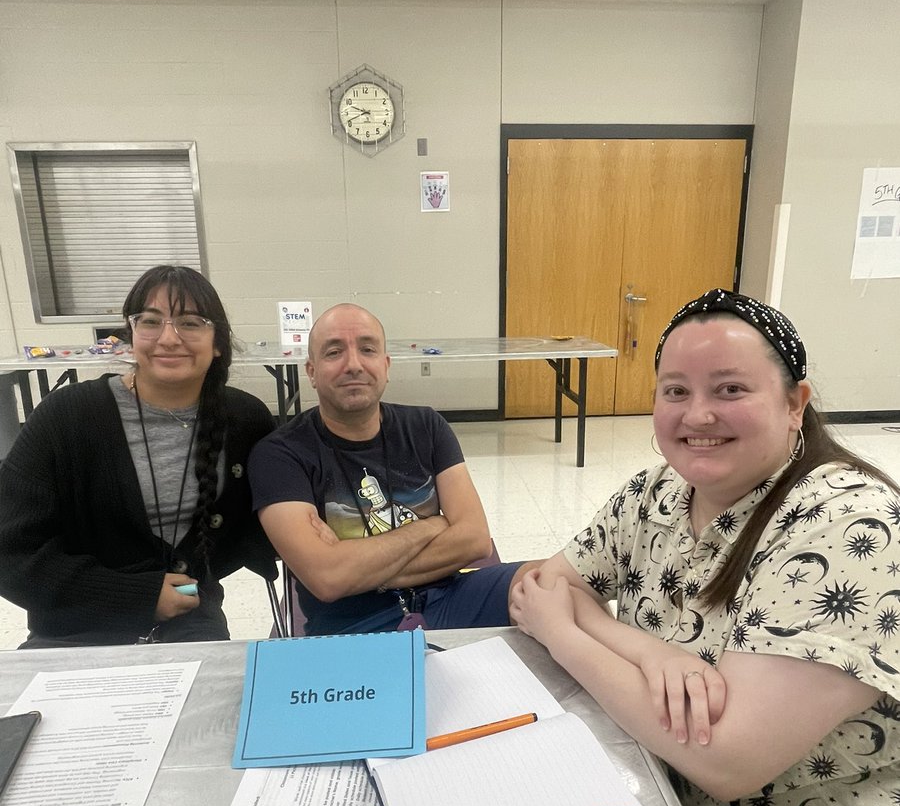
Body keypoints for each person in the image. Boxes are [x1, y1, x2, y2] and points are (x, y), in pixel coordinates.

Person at [509, 288, 900, 806]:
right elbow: (542, 583)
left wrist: (570, 635)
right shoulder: (659, 492)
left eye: (731, 390)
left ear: (795, 403)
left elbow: (724, 758)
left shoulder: (850, 525)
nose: (697, 415)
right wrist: (647, 650)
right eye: (676, 391)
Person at [0, 265, 276, 646]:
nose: (169, 338)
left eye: (191, 323)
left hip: (193, 625)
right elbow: (10, 553)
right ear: (131, 336)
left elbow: (270, 522)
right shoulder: (66, 417)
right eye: (150, 321)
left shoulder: (246, 419)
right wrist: (139, 596)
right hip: (74, 628)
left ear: (217, 343)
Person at [249, 303, 525, 634]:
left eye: (367, 349)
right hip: (352, 624)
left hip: (450, 596)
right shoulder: (280, 455)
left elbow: (475, 540)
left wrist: (353, 567)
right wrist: (431, 526)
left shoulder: (427, 426)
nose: (353, 364)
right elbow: (327, 579)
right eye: (334, 352)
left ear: (386, 364)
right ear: (311, 371)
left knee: (558, 583)